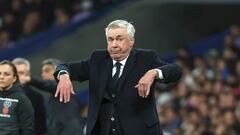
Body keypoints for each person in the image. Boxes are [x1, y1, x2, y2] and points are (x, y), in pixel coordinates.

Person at [54, 20, 182, 135]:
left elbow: (175, 71)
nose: (114, 44)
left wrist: (153, 72)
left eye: (119, 39)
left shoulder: (145, 58)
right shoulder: (97, 59)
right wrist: (64, 76)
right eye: (110, 39)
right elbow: (64, 66)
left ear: (131, 41)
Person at [27, 58, 85, 135]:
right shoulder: (55, 95)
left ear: (57, 72)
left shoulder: (63, 86)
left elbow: (47, 85)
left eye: (47, 71)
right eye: (42, 72)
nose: (43, 74)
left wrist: (30, 79)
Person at [12, 58, 47, 135]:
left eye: (21, 73)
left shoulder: (36, 97)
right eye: (15, 72)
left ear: (27, 75)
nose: (17, 76)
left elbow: (41, 125)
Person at [0, 60, 35, 135]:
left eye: (6, 74)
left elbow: (27, 129)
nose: (1, 77)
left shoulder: (21, 99)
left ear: (14, 78)